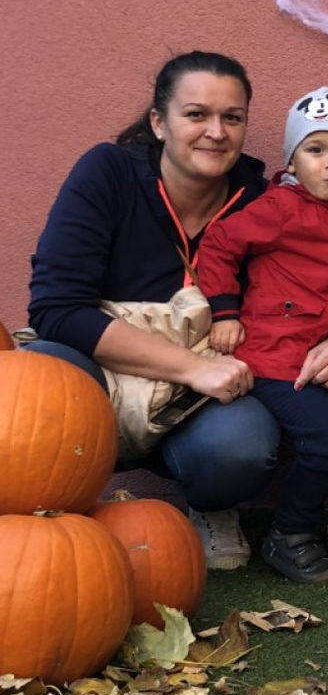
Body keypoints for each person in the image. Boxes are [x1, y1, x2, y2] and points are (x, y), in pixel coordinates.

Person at [27, 51, 280, 569]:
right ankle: (51, 518)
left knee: (245, 445)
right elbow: (56, 308)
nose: (215, 131)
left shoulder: (261, 200)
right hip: (104, 366)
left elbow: (323, 275)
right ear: (159, 123)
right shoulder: (108, 172)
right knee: (39, 376)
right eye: (196, 115)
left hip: (195, 398)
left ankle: (212, 506)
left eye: (232, 118)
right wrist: (194, 367)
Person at [197, 86, 328, 584]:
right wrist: (224, 312)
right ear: (291, 157)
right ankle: (289, 534)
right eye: (316, 150)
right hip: (272, 359)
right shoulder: (276, 209)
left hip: (327, 361)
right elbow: (218, 245)